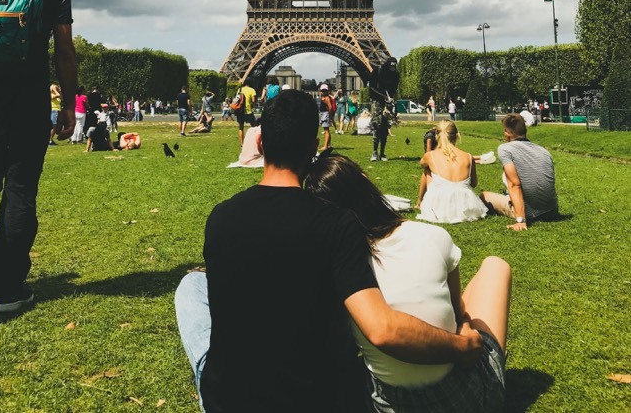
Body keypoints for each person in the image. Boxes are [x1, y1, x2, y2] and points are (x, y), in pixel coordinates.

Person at [175, 90, 484, 413]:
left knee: (191, 286)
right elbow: (381, 328)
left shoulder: (221, 216)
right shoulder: (338, 224)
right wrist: (460, 344)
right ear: (313, 147)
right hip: (313, 397)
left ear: (262, 144)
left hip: (227, 399)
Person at [305, 153, 511, 413]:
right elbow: (457, 313)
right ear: (366, 181)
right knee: (494, 266)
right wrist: (466, 329)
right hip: (463, 397)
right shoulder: (432, 236)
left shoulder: (336, 268)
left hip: (388, 402)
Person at [0, 0, 76, 314]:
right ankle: (9, 290)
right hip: (30, 98)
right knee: (20, 189)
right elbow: (65, 53)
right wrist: (68, 103)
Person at [481, 113, 559, 231]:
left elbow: (514, 184)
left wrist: (520, 220)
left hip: (530, 213)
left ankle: (518, 211)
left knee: (484, 195)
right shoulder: (543, 151)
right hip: (551, 210)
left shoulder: (505, 149)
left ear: (507, 132)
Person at [415, 120, 488, 224]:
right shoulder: (468, 156)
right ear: (457, 135)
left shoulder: (430, 155)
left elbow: (422, 163)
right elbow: (474, 184)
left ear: (437, 135)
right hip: (466, 205)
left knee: (427, 169)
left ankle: (419, 202)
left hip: (438, 205)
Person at [370, 56, 399, 162]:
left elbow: (395, 90)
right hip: (377, 100)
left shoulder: (395, 74)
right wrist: (385, 96)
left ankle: (382, 153)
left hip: (389, 101)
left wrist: (394, 100)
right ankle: (374, 152)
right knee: (377, 125)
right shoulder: (378, 71)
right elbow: (372, 87)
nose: (392, 69)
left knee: (385, 126)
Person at [318, 83, 335, 151]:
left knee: (326, 131)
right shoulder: (323, 97)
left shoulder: (326, 98)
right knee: (326, 130)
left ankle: (325, 146)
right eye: (322, 90)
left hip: (325, 114)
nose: (323, 92)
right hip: (323, 114)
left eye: (325, 91)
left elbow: (330, 107)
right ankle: (329, 145)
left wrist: (329, 115)